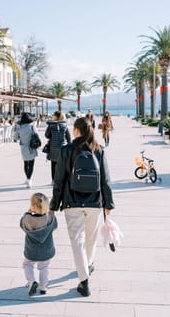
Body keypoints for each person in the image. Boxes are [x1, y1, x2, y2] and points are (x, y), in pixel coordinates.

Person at [50, 117, 115, 297]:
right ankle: (88, 264)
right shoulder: (99, 150)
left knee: (77, 241)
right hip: (95, 202)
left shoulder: (66, 150)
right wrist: (108, 204)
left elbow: (59, 181)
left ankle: (84, 280)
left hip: (72, 202)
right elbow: (106, 180)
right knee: (91, 239)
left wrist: (54, 205)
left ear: (77, 130)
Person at [20, 192, 58, 296]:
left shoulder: (28, 219)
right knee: (44, 267)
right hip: (46, 250)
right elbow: (55, 225)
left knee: (27, 264)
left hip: (31, 250)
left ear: (32, 206)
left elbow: (21, 224)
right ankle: (43, 286)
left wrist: (26, 213)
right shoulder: (49, 218)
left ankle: (31, 281)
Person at [45, 111, 71, 184]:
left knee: (53, 165)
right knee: (63, 165)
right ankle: (63, 180)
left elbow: (47, 135)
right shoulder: (65, 125)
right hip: (63, 148)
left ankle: (53, 180)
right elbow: (69, 138)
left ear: (56, 117)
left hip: (53, 148)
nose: (52, 116)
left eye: (53, 115)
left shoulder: (51, 125)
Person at [17, 112, 39, 188]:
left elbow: (15, 137)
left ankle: (27, 178)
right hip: (31, 146)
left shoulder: (19, 127)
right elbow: (37, 135)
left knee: (26, 163)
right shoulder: (32, 126)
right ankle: (29, 179)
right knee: (31, 164)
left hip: (23, 147)